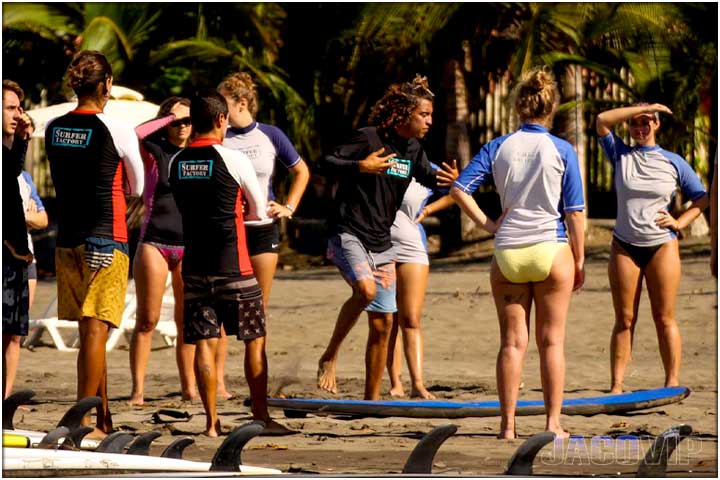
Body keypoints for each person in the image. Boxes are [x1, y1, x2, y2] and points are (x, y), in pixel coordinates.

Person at [451, 66, 585, 439]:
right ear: (552, 106)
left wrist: (488, 225)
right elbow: (574, 211)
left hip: (508, 250)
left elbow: (460, 190)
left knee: (512, 343)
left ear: (518, 106)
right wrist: (579, 258)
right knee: (551, 341)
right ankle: (552, 423)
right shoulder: (561, 149)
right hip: (550, 246)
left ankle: (507, 426)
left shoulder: (498, 146)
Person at [317, 75, 455, 399]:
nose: (430, 122)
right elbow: (325, 162)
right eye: (424, 115)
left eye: (431, 115)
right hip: (348, 232)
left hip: (381, 242)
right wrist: (360, 166)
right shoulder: (369, 138)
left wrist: (449, 180)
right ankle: (330, 355)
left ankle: (371, 399)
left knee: (382, 325)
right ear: (404, 113)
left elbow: (429, 176)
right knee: (365, 290)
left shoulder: (413, 149)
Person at [168, 91, 292, 437]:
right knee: (255, 340)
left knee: (205, 343)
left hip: (194, 267)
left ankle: (210, 423)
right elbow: (257, 209)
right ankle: (261, 416)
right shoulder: (233, 159)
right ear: (222, 120)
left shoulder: (176, 161)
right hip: (234, 267)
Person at [45, 51, 144, 436]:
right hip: (106, 237)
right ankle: (82, 420)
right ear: (106, 85)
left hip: (67, 240)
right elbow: (139, 184)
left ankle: (102, 417)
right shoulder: (116, 129)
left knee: (90, 332)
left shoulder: (54, 127)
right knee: (96, 330)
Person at [596, 102, 709, 394]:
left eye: (647, 122)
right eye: (635, 123)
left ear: (657, 125)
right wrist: (646, 106)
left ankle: (671, 381)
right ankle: (617, 385)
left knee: (664, 317)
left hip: (662, 246)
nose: (640, 128)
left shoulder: (673, 161)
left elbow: (701, 198)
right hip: (624, 245)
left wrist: (680, 221)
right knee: (624, 318)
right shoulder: (620, 154)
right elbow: (602, 121)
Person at [218, 72, 310, 399]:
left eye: (224, 102)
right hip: (229, 231)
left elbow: (301, 171)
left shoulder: (270, 135)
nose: (218, 108)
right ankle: (218, 383)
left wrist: (288, 206)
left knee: (256, 308)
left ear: (241, 103)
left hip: (262, 231)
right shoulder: (219, 136)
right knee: (222, 307)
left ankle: (256, 381)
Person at [128, 97, 197, 405]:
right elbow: (137, 133)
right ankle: (138, 391)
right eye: (176, 122)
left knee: (187, 323)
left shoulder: (201, 153)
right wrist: (170, 117)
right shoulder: (155, 151)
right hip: (155, 241)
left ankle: (189, 389)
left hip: (190, 245)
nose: (183, 126)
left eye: (188, 121)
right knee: (147, 320)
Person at [382, 170, 458, 400]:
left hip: (412, 246)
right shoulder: (379, 159)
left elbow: (457, 192)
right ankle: (395, 383)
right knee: (388, 317)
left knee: (411, 319)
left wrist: (427, 210)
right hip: (379, 244)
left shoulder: (426, 167)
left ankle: (418, 384)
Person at [2, 79, 35, 399]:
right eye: (10, 107)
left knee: (13, 333)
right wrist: (23, 140)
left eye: (20, 108)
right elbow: (7, 171)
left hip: (16, 252)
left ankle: (5, 398)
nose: (18, 114)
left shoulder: (12, 150)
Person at [18, 170, 49, 310]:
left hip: (26, 259)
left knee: (20, 326)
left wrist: (27, 217)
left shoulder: (24, 177)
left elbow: (43, 220)